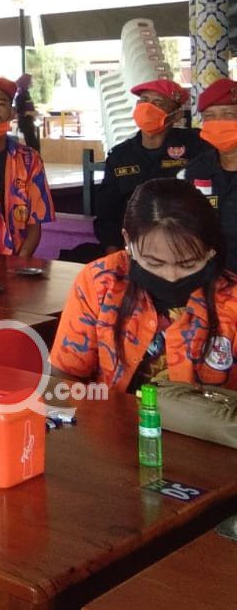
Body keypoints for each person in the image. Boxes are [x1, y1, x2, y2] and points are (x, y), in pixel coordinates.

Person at [51, 178, 237, 391]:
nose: (171, 276)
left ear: (211, 250)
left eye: (188, 264)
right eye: (154, 263)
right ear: (128, 242)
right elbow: (65, 375)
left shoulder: (232, 299)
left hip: (205, 423)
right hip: (111, 420)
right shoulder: (100, 282)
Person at [94, 78, 206, 252]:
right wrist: (116, 255)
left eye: (158, 103)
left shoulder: (196, 146)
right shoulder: (120, 156)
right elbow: (106, 213)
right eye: (144, 101)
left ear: (176, 115)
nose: (148, 108)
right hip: (132, 246)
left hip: (183, 245)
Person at [0, 77, 54, 257]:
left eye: (0, 104)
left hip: (17, 263)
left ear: (12, 112)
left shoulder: (30, 160)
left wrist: (19, 266)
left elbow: (34, 224)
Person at [183, 77, 237, 268]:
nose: (218, 123)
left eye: (228, 115)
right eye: (210, 117)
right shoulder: (198, 169)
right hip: (210, 275)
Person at [12, 73, 40, 152]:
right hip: (25, 123)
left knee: (34, 144)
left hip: (29, 122)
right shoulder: (21, 95)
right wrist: (30, 113)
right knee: (33, 145)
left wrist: (34, 112)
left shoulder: (27, 94)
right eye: (31, 80)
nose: (32, 82)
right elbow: (19, 111)